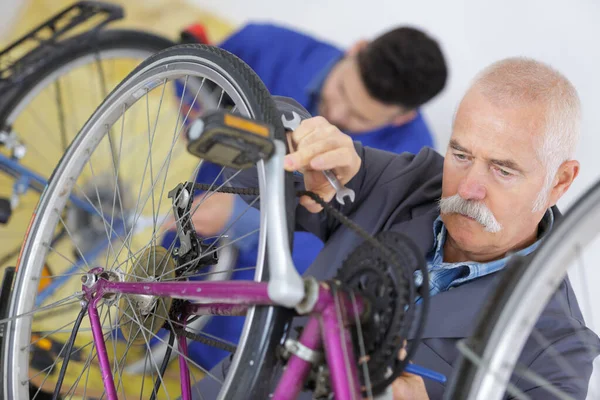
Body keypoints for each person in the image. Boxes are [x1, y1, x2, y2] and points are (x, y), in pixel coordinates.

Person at [220, 56, 600, 399]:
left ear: (560, 182)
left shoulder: (558, 351)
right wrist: (296, 144)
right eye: (461, 155)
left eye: (503, 170)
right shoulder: (410, 180)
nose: (468, 189)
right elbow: (242, 177)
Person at [171, 22, 448, 371]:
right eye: (342, 91)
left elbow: (349, 246)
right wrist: (194, 113)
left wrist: (242, 215)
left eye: (359, 117)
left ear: (402, 117)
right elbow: (193, 80)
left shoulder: (409, 157)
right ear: (356, 47)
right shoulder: (264, 45)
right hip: (191, 225)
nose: (337, 113)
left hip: (264, 296)